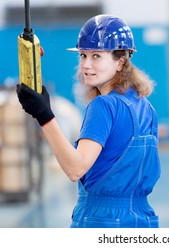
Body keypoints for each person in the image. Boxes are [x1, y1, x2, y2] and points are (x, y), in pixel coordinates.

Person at [16, 14, 161, 228]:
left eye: (96, 56)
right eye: (83, 55)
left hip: (103, 221)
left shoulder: (103, 106)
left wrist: (44, 115)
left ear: (120, 61)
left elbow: (76, 168)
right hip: (142, 221)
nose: (86, 65)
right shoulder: (145, 106)